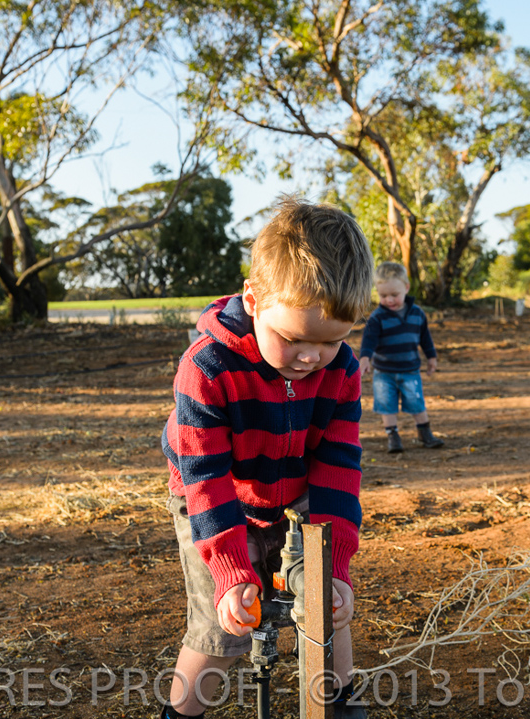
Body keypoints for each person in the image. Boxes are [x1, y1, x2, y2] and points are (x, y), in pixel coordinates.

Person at [160, 198, 373, 719]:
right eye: (294, 338)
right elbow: (205, 477)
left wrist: (335, 566)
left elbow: (338, 468)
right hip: (216, 496)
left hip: (299, 490)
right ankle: (180, 714)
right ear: (254, 300)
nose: (311, 357)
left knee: (327, 605)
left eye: (332, 341)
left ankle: (339, 706)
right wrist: (232, 569)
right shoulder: (207, 369)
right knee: (223, 628)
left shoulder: (342, 371)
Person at [358, 261, 445, 453]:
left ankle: (425, 433)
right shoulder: (377, 318)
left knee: (416, 402)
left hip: (410, 370)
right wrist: (365, 358)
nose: (389, 300)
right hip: (384, 372)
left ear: (406, 287)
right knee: (386, 405)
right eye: (383, 296)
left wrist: (431, 357)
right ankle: (393, 436)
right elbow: (369, 341)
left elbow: (425, 338)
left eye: (394, 295)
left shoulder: (417, 314)